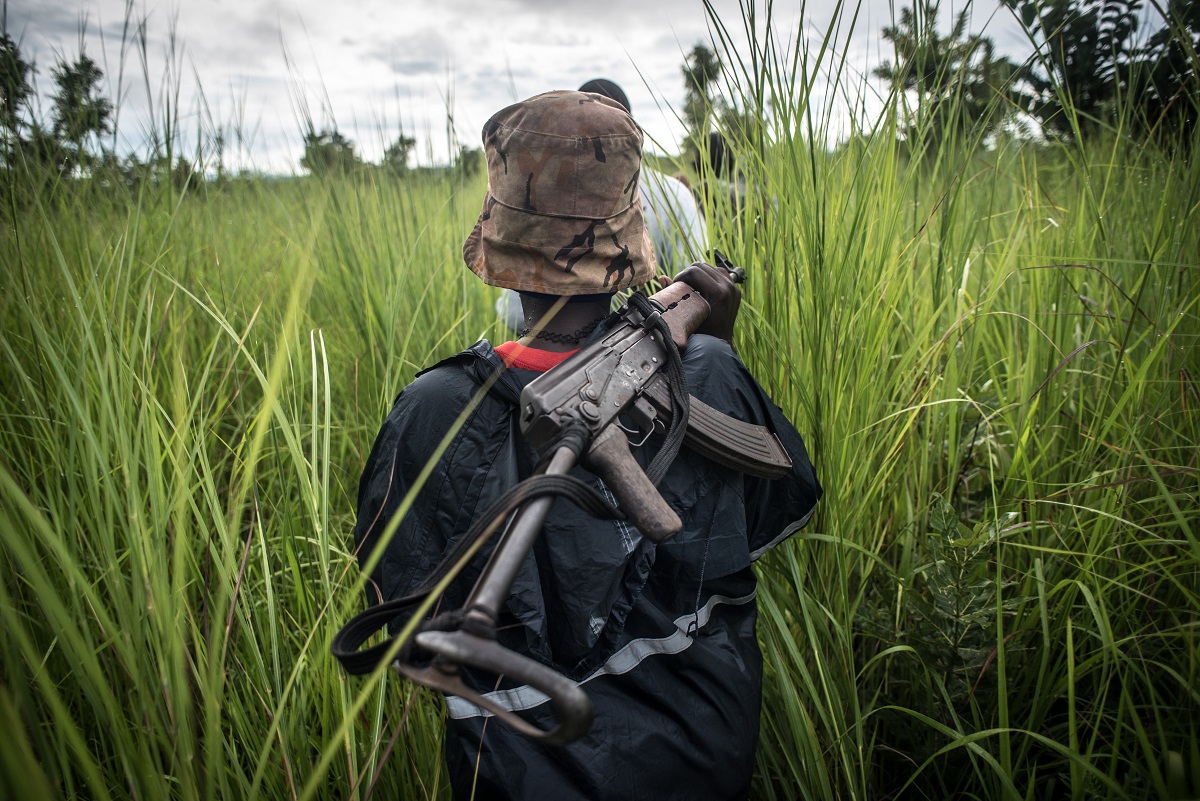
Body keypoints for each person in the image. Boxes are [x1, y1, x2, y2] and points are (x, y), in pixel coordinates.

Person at [353, 90, 821, 800]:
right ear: (633, 234)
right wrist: (714, 352)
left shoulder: (434, 408)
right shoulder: (708, 371)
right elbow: (764, 518)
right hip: (705, 747)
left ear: (500, 235)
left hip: (524, 768)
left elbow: (400, 604)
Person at [496, 78, 708, 332]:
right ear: (630, 130)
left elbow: (513, 315)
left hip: (548, 362)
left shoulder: (539, 198)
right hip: (650, 355)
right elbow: (695, 292)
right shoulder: (675, 196)